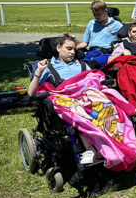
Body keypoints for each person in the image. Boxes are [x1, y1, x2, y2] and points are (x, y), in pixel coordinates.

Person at [28, 35, 101, 165]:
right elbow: (31, 93)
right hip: (66, 101)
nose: (72, 52)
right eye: (68, 48)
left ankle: (106, 145)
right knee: (78, 111)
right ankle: (90, 149)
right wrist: (39, 71)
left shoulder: (83, 65)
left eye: (74, 49)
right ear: (58, 47)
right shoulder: (48, 67)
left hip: (87, 97)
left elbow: (95, 82)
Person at [77, 0, 123, 68]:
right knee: (77, 66)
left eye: (98, 14)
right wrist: (73, 48)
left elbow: (125, 40)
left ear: (105, 11)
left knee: (89, 66)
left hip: (105, 53)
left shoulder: (117, 25)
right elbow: (85, 43)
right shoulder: (91, 23)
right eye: (94, 14)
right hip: (91, 52)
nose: (96, 16)